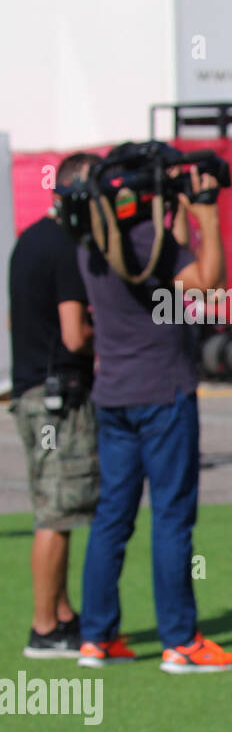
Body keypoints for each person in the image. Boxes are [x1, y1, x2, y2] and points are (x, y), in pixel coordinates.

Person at [75, 146, 232, 673]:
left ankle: (96, 637)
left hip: (114, 395)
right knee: (171, 517)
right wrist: (206, 213)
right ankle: (179, 641)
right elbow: (211, 282)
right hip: (163, 393)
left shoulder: (94, 242)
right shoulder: (151, 241)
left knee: (111, 518)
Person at [9, 152, 99, 659]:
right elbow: (73, 332)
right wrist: (103, 341)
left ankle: (60, 614)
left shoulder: (28, 240)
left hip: (34, 391)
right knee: (56, 513)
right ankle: (46, 626)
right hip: (55, 399)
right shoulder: (65, 245)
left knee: (57, 508)